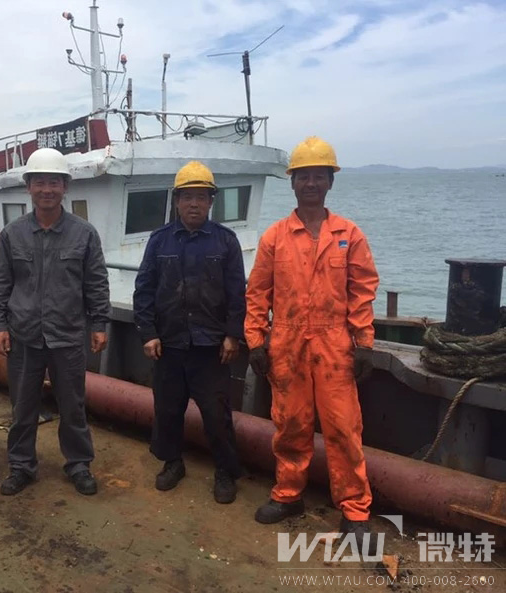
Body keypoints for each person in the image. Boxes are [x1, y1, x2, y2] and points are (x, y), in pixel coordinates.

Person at [245, 137, 379, 546]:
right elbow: (258, 293)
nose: (311, 183)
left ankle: (354, 511)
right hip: (286, 343)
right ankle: (288, 494)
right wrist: (255, 339)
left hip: (335, 345)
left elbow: (362, 291)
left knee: (343, 428)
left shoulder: (349, 234)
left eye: (319, 176)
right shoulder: (275, 237)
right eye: (303, 176)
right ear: (292, 182)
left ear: (330, 182)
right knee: (290, 425)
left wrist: (364, 342)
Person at [0, 147, 111, 496]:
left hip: (68, 336)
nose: (47, 189)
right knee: (22, 407)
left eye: (54, 182)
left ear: (65, 187)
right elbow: (0, 284)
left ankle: (78, 464)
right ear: (28, 186)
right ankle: (21, 466)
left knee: (73, 406)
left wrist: (99, 324)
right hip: (23, 336)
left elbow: (96, 282)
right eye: (39, 182)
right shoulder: (12, 234)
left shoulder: (84, 234)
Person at [133, 161, 246, 504]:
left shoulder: (226, 241)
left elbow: (237, 293)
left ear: (211, 201)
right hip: (169, 344)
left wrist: (233, 335)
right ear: (177, 201)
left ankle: (225, 471)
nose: (194, 204)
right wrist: (148, 333)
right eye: (187, 197)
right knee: (167, 410)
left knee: (216, 414)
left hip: (211, 347)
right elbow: (144, 289)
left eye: (201, 197)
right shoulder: (159, 240)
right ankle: (172, 463)